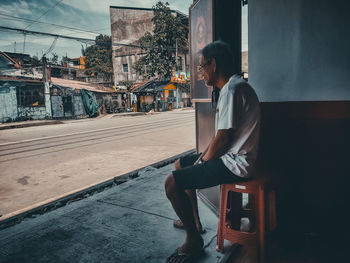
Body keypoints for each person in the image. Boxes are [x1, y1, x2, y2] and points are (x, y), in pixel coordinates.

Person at [165, 40, 261, 263]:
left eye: (201, 67)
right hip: (237, 158)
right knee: (181, 164)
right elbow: (219, 136)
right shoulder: (237, 86)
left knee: (171, 183)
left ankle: (193, 240)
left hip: (236, 165)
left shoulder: (231, 90)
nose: (200, 72)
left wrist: (203, 162)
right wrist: (201, 158)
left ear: (214, 64)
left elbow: (224, 138)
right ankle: (195, 223)